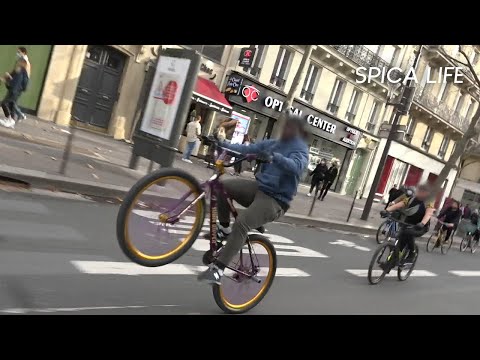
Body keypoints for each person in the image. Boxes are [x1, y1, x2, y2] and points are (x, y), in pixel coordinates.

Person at [197, 111, 309, 285]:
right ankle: (225, 229)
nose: (286, 129)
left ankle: (218, 270)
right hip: (259, 188)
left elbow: (297, 167)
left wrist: (275, 158)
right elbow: (246, 149)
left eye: (290, 127)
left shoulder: (300, 148)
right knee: (222, 186)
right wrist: (220, 142)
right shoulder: (274, 143)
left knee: (242, 222)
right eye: (285, 125)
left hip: (276, 200)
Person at [381, 183, 435, 265]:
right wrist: (387, 210)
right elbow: (399, 205)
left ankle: (412, 254)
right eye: (419, 190)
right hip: (407, 223)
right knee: (399, 244)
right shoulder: (411, 199)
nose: (420, 192)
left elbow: (428, 213)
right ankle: (388, 265)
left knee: (409, 233)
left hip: (420, 227)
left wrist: (422, 223)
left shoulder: (429, 202)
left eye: (423, 191)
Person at [0, 59, 29, 129]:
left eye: (18, 63)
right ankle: (11, 120)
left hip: (14, 91)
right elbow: (22, 84)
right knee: (11, 105)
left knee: (4, 103)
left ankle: (10, 119)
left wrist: (9, 79)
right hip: (14, 90)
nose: (17, 64)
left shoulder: (21, 72)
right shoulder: (20, 72)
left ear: (21, 64)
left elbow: (16, 82)